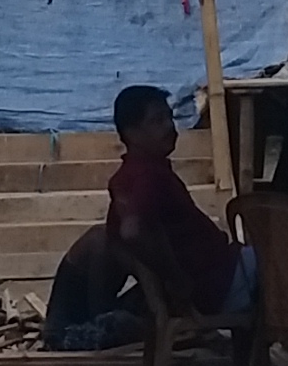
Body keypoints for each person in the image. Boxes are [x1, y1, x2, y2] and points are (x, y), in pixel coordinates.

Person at [43, 83, 249, 352]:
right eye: (156, 120)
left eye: (169, 118)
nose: (169, 127)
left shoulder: (136, 177)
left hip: (212, 276)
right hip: (220, 281)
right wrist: (176, 278)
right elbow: (133, 232)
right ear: (132, 133)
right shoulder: (146, 178)